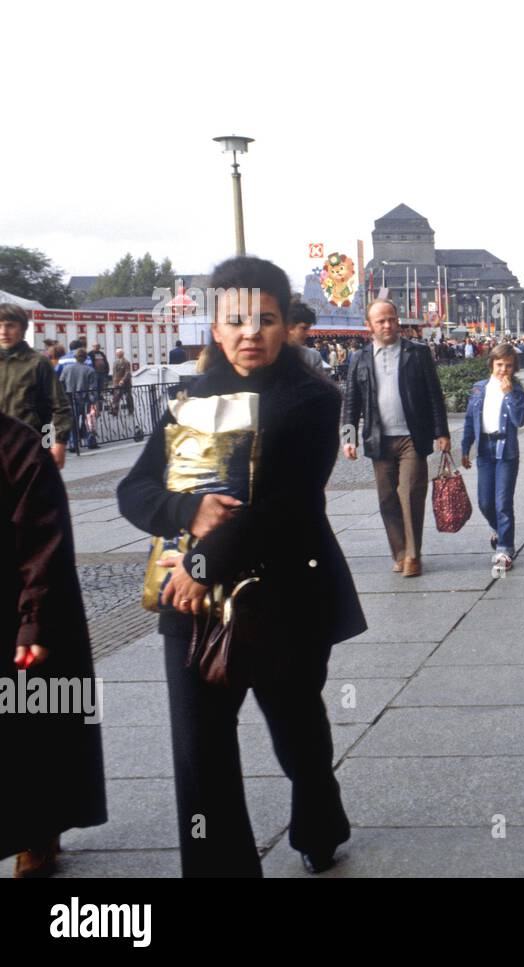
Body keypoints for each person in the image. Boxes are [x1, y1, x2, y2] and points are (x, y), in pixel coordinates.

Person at [117, 256, 366, 877]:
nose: (250, 333)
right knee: (200, 759)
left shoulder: (311, 398)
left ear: (285, 325)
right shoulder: (191, 398)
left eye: (266, 319)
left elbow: (284, 507)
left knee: (298, 732)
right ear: (216, 327)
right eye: (236, 321)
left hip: (283, 596)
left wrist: (199, 564)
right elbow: (134, 488)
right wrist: (187, 509)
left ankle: (319, 821)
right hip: (191, 609)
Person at [1, 412, 107, 877]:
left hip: (15, 610)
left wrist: (35, 623)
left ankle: (37, 832)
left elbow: (44, 539)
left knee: (30, 728)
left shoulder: (16, 445)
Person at [343, 298, 451, 578]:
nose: (388, 325)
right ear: (369, 326)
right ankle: (399, 553)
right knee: (387, 499)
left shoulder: (417, 353)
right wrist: (349, 437)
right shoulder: (360, 358)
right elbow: (351, 401)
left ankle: (413, 556)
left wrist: (442, 432)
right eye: (381, 321)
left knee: (411, 494)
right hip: (379, 439)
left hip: (411, 437)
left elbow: (433, 394)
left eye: (391, 319)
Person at [461, 344, 524, 572]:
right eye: (499, 365)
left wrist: (509, 395)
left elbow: (520, 420)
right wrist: (464, 447)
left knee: (502, 502)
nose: (503, 370)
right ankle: (498, 529)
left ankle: (505, 548)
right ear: (491, 364)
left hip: (506, 450)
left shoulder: (516, 391)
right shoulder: (479, 389)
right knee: (485, 502)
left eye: (508, 366)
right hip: (484, 450)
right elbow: (470, 420)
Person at [0, 303, 71, 469]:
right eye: (0, 325)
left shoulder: (38, 363)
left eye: (10, 326)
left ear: (23, 329)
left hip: (28, 447)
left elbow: (60, 407)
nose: (4, 332)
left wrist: (59, 443)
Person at [286, 299, 327, 372]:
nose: (307, 333)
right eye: (304, 328)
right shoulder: (271, 356)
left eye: (308, 329)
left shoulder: (313, 357)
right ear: (290, 326)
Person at [111, 347, 135, 417]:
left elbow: (127, 373)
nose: (117, 355)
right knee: (116, 397)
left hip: (125, 383)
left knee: (128, 397)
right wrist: (114, 383)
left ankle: (131, 411)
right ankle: (114, 412)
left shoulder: (126, 362)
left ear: (122, 354)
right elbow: (114, 374)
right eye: (117, 354)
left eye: (118, 353)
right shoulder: (115, 362)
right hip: (116, 382)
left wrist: (123, 380)